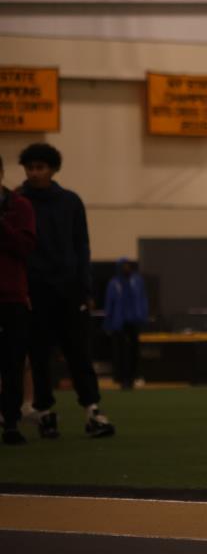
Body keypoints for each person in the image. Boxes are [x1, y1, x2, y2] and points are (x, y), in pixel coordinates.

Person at [18, 143, 115, 439]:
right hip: (34, 291)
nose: (35, 173)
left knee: (79, 353)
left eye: (41, 167)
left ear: (53, 169)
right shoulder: (18, 201)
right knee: (39, 355)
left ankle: (93, 411)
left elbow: (82, 245)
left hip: (70, 291)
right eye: (30, 167)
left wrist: (85, 288)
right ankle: (45, 413)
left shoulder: (70, 201)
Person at [0, 155, 36, 445]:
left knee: (13, 362)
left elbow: (25, 246)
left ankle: (11, 421)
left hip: (11, 295)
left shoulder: (20, 206)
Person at [103, 258, 150, 390]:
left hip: (134, 320)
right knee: (121, 352)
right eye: (124, 266)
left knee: (134, 351)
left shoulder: (137, 281)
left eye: (128, 266)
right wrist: (108, 322)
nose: (126, 269)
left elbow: (142, 299)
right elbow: (109, 303)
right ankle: (122, 378)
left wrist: (143, 316)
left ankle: (133, 377)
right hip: (119, 323)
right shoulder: (114, 283)